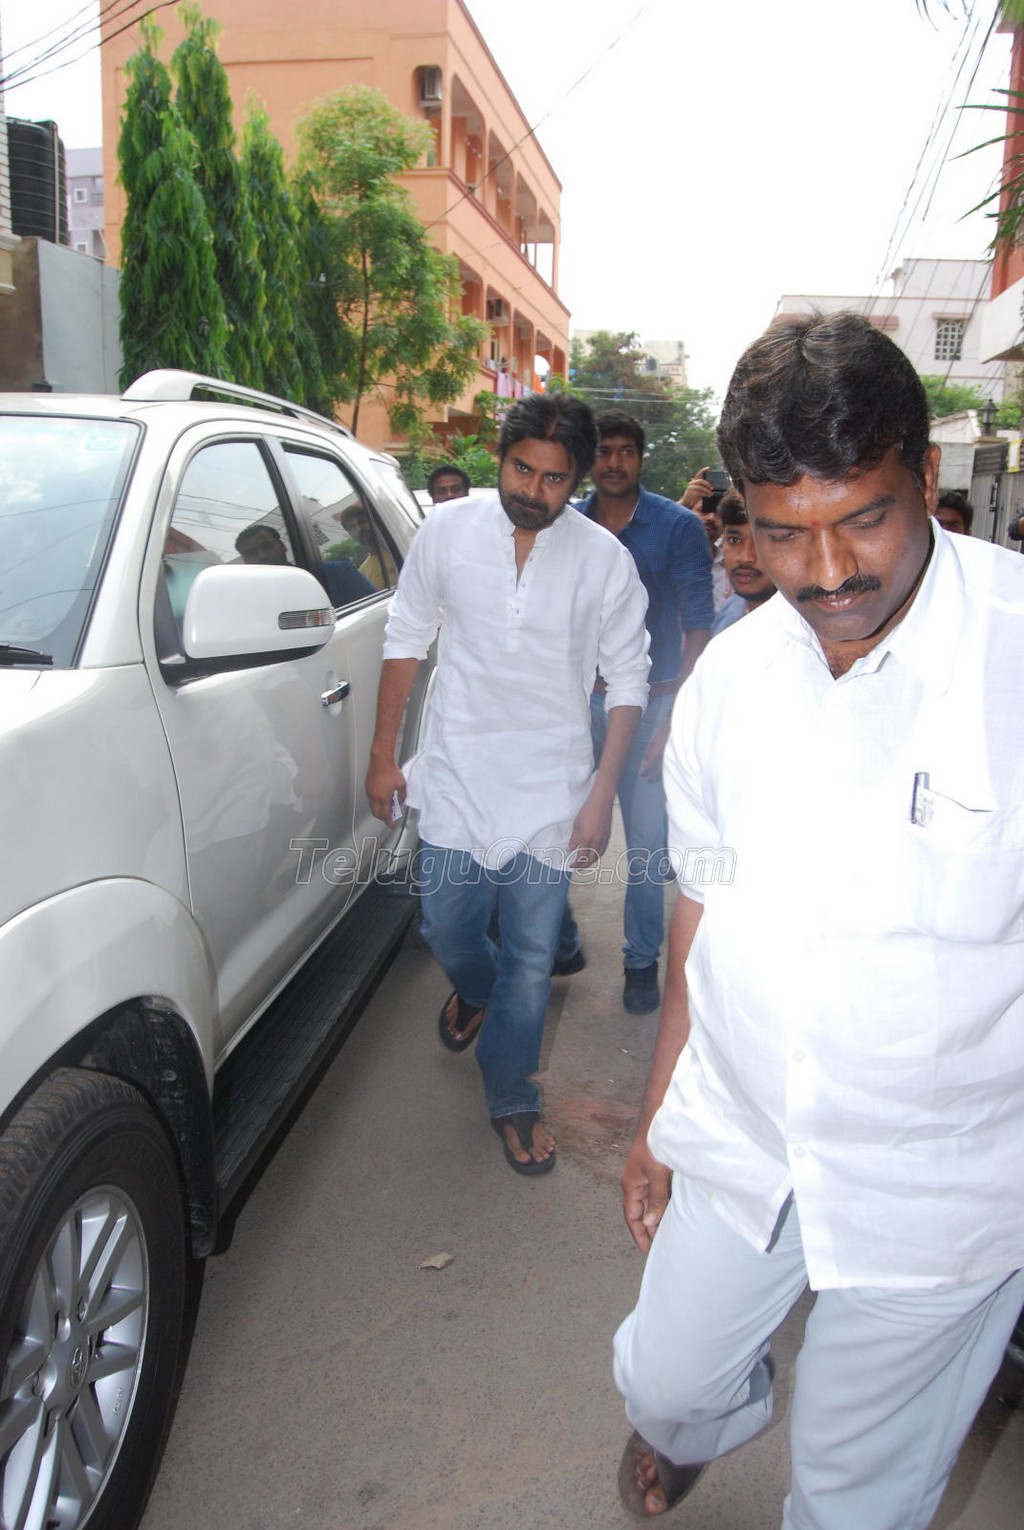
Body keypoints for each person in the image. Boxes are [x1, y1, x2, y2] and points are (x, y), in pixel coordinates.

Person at [614, 311, 1024, 1526]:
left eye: (864, 518)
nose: (829, 571)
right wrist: (658, 1116)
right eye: (784, 533)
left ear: (927, 479)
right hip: (743, 1137)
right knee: (664, 1381)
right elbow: (701, 909)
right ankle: (697, 1425)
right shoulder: (732, 682)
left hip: (940, 1186)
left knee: (853, 1498)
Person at [366, 394, 649, 1174]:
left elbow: (629, 681)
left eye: (555, 479)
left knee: (531, 955)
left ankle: (512, 1095)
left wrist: (600, 797)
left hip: (551, 785)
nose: (534, 490)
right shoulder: (448, 531)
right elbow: (405, 636)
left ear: (577, 480)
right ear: (501, 458)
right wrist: (384, 755)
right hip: (456, 772)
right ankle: (476, 988)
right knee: (448, 928)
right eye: (522, 469)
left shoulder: (604, 560)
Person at [560, 410, 713, 1016]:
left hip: (653, 702)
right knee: (552, 828)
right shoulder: (567, 523)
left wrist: (675, 719)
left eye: (626, 451)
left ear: (640, 458)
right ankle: (558, 940)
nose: (614, 462)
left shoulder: (677, 526)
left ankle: (641, 961)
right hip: (577, 703)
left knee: (646, 846)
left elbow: (699, 625)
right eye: (604, 451)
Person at [236, 520, 374, 606]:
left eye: (267, 546)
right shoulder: (254, 604)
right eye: (251, 553)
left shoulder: (336, 573)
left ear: (283, 546)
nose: (262, 556)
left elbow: (374, 613)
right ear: (245, 561)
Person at [709, 489, 777, 634]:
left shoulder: (813, 629)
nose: (745, 558)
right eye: (734, 540)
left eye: (761, 542)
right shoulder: (730, 612)